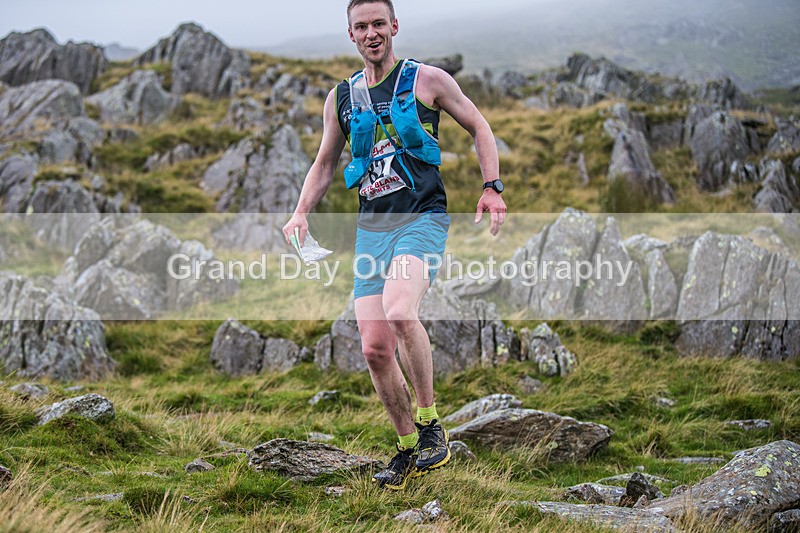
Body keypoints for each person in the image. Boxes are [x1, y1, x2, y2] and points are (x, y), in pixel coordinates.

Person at [283, 0, 506, 490]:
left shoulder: (428, 80)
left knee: (401, 310)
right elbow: (324, 163)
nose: (371, 33)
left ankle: (430, 425)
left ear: (394, 27)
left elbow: (479, 126)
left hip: (421, 220)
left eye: (378, 24)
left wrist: (492, 187)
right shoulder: (340, 98)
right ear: (351, 35)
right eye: (360, 26)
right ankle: (407, 447)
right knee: (374, 348)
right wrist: (301, 211)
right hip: (372, 232)